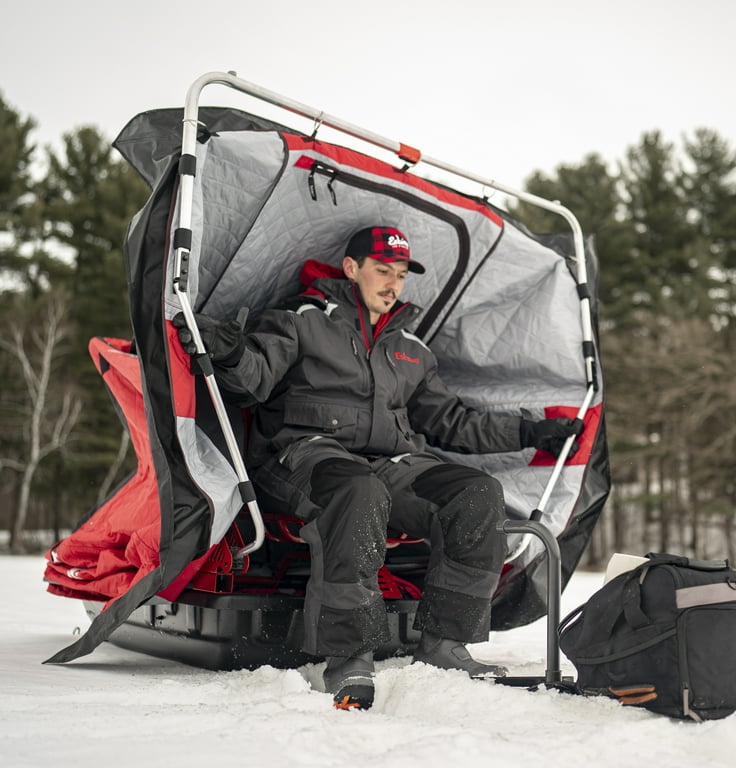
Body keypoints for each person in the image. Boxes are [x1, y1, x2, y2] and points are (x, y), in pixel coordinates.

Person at [174, 225, 582, 710]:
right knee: (359, 491)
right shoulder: (303, 319)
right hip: (306, 455)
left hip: (394, 463)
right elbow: (254, 380)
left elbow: (452, 422)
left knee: (477, 494)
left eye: (401, 274)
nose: (393, 284)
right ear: (351, 269)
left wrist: (531, 433)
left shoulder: (411, 348)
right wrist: (232, 352)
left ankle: (445, 645)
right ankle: (349, 657)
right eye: (382, 271)